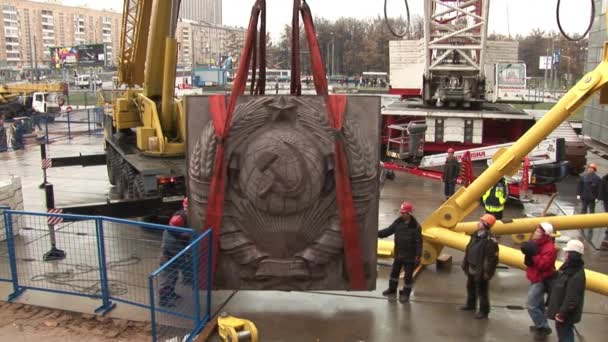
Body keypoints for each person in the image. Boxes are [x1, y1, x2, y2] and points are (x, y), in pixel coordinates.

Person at [378, 201, 422, 303]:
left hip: (410, 256)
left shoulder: (416, 226)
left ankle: (405, 294)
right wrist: (376, 234)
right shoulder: (398, 222)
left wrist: (418, 255)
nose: (402, 214)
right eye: (401, 212)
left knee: (407, 276)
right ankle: (392, 289)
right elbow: (388, 231)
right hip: (398, 253)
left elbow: (419, 241)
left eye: (404, 213)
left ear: (409, 213)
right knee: (394, 272)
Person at [521, 222, 557, 340]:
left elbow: (543, 265)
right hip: (535, 276)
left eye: (538, 231)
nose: (535, 232)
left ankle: (542, 327)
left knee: (531, 305)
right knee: (539, 304)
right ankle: (542, 324)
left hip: (540, 279)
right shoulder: (538, 243)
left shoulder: (549, 248)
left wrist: (534, 254)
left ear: (544, 234)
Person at [461, 214, 499, 319]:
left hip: (481, 269)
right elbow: (469, 248)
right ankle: (471, 304)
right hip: (472, 266)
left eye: (481, 222)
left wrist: (487, 272)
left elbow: (492, 259)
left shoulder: (490, 240)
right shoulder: (475, 234)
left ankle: (484, 311)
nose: (478, 223)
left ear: (486, 225)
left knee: (482, 291)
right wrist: (465, 262)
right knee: (470, 286)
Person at [547, 239, 586, 342]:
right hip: (562, 310)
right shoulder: (568, 268)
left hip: (565, 314)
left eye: (567, 252)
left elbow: (572, 298)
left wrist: (562, 313)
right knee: (563, 334)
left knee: (566, 335)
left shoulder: (576, 274)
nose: (565, 254)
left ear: (572, 255)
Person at [159, 197, 193, 307]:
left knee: (174, 273)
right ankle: (163, 299)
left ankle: (171, 293)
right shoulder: (179, 218)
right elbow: (173, 231)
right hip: (170, 250)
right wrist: (186, 235)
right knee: (169, 274)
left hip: (176, 248)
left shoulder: (187, 216)